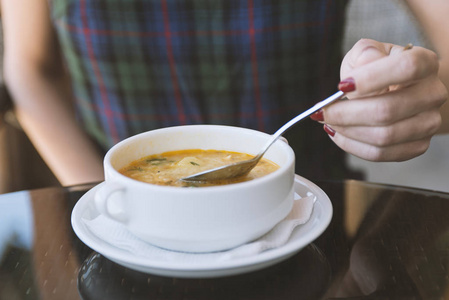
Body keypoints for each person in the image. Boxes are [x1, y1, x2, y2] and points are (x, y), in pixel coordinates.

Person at [1, 0, 448, 187]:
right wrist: (106, 197)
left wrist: (423, 94)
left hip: (308, 221)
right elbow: (30, 68)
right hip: (116, 224)